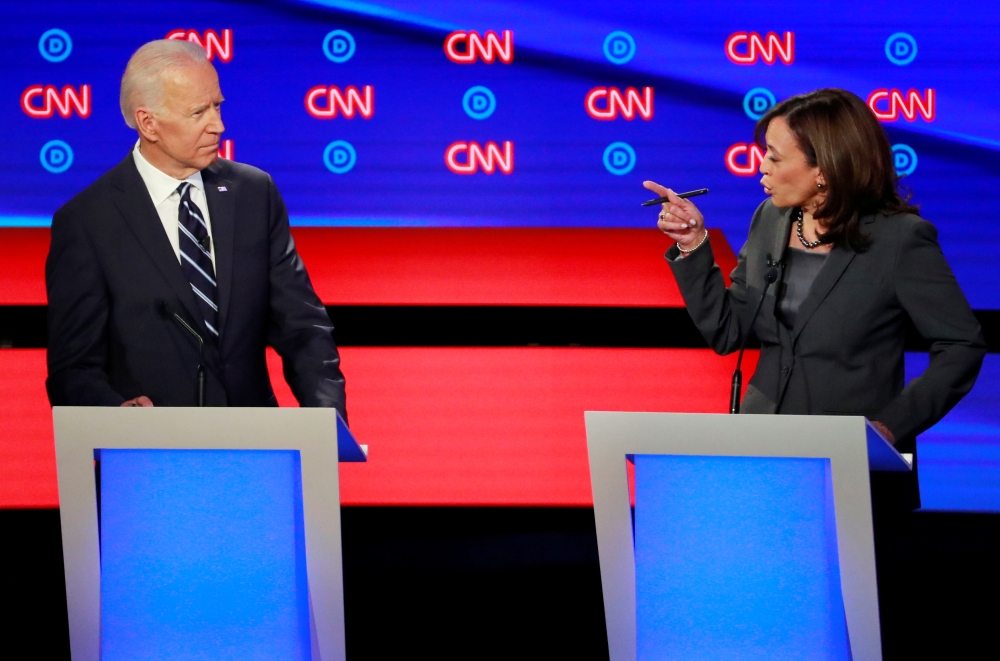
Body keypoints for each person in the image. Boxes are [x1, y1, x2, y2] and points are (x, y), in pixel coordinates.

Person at [645, 88, 985, 512]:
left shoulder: (900, 241)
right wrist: (694, 245)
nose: (761, 169)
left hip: (852, 471)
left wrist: (891, 426)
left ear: (823, 168)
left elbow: (962, 345)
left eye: (774, 156)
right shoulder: (770, 218)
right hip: (763, 461)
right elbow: (728, 331)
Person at [46, 39, 346, 417]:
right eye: (197, 112)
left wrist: (325, 421)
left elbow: (302, 327)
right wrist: (118, 413)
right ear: (148, 123)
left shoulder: (254, 194)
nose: (218, 125)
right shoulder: (88, 221)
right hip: (147, 460)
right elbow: (72, 368)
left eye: (217, 106)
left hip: (253, 451)